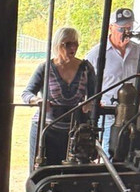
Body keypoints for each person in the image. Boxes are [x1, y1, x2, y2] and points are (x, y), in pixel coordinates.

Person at [22, 26, 97, 167]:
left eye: (75, 44)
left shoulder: (86, 68)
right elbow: (26, 93)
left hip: (75, 133)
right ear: (58, 45)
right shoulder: (45, 68)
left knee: (70, 173)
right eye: (68, 44)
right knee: (40, 172)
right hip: (45, 129)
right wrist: (37, 100)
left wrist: (90, 103)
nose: (72, 48)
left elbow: (95, 95)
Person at [85, 8, 139, 149]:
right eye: (122, 29)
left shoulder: (138, 51)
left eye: (130, 28)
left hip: (133, 114)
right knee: (110, 152)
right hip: (108, 115)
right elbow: (85, 86)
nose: (127, 33)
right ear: (111, 28)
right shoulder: (96, 54)